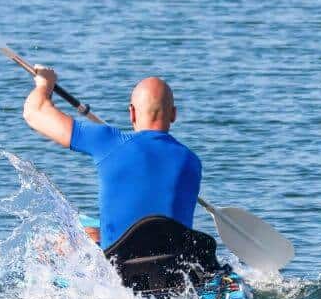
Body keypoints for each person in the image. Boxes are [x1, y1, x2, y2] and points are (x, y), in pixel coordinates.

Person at [22, 66, 202, 249]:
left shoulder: (108, 142)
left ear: (132, 113)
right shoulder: (192, 161)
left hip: (121, 261)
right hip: (175, 260)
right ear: (173, 114)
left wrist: (45, 84)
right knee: (94, 232)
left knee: (56, 240)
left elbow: (34, 112)